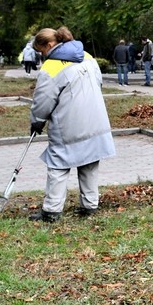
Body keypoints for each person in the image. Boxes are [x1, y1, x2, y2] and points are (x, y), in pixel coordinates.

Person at [28, 26, 116, 222]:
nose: (42, 55)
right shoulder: (87, 56)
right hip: (95, 119)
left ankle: (52, 211)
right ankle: (90, 206)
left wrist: (37, 122)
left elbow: (43, 100)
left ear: (50, 45)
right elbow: (99, 82)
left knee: (58, 166)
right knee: (89, 164)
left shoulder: (51, 67)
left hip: (68, 124)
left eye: (41, 51)